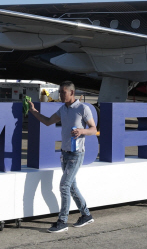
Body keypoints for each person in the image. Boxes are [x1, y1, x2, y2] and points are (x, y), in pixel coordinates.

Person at [29, 81, 97, 233]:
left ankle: (62, 221)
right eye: (60, 92)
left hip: (76, 154)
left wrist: (82, 131)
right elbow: (47, 122)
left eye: (63, 92)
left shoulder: (83, 108)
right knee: (71, 186)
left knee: (64, 186)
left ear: (72, 93)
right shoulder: (63, 109)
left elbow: (94, 129)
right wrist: (34, 111)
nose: (60, 95)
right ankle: (86, 215)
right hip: (64, 153)